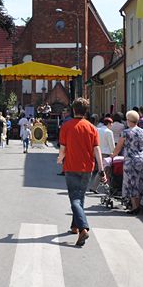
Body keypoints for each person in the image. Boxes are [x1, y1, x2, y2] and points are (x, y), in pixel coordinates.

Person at [57, 98, 106, 247]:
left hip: (71, 166)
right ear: (86, 111)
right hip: (87, 168)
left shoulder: (66, 126)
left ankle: (83, 228)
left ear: (73, 110)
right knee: (80, 197)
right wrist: (101, 168)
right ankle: (75, 226)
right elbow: (96, 149)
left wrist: (60, 159)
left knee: (74, 199)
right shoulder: (92, 128)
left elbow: (63, 148)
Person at [113, 110, 143, 215]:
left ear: (128, 120)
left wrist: (113, 155)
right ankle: (138, 205)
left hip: (130, 161)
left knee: (131, 183)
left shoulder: (126, 132)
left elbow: (118, 147)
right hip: (142, 160)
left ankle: (134, 207)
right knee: (140, 182)